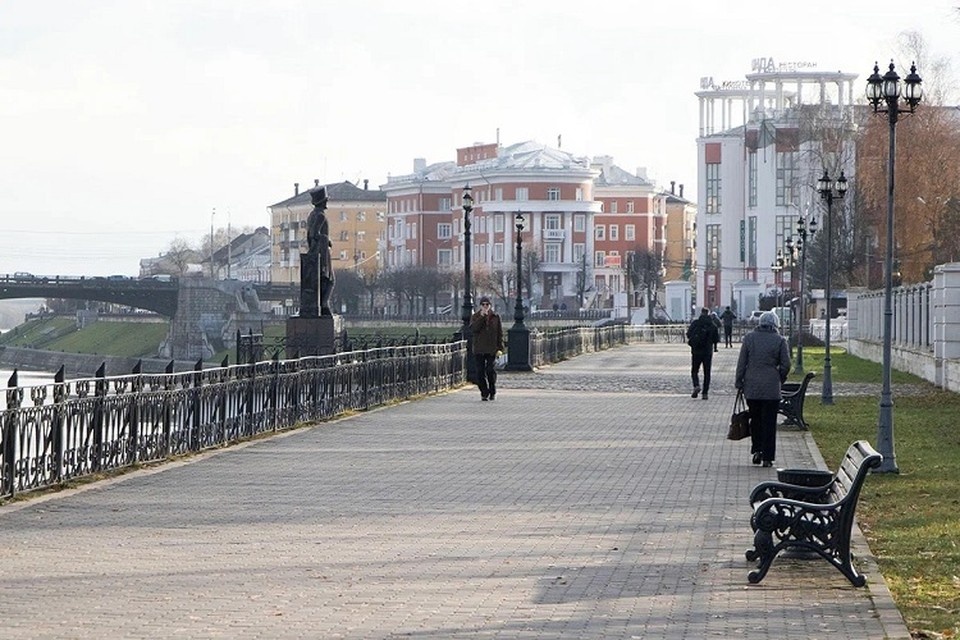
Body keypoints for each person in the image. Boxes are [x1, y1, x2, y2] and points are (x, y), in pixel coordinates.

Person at [735, 310, 791, 467]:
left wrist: (739, 381)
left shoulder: (749, 338)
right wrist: (779, 377)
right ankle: (768, 457)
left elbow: (742, 362)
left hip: (752, 387)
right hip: (771, 388)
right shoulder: (780, 340)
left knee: (755, 420)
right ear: (775, 324)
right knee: (769, 423)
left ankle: (757, 450)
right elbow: (786, 364)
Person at [306, 186, 335, 316]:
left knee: (321, 280)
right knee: (330, 280)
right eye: (326, 200)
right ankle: (324, 304)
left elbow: (310, 235)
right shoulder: (320, 216)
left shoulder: (312, 215)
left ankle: (321, 305)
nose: (327, 202)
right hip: (321, 251)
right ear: (322, 202)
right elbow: (314, 233)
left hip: (314, 250)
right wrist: (327, 240)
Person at [470, 296, 504, 401]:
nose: (485, 306)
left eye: (487, 304)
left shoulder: (495, 317)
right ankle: (484, 392)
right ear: (480, 306)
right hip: (479, 349)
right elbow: (474, 329)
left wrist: (500, 347)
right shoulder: (475, 316)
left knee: (490, 370)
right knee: (480, 372)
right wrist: (482, 317)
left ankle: (492, 390)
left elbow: (499, 333)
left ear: (490, 305)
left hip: (491, 348)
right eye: (483, 304)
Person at [686, 307, 720, 400]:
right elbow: (716, 339)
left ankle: (696, 385)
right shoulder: (712, 325)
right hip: (707, 352)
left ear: (701, 313)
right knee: (707, 373)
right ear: (708, 313)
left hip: (696, 351)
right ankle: (705, 393)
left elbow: (688, 334)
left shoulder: (696, 323)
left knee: (694, 371)